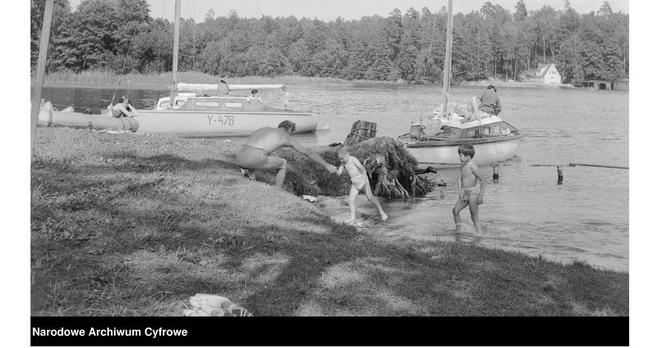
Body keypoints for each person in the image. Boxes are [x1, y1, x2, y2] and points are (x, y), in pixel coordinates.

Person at [236, 120, 336, 187]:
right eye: (293, 133)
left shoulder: (266, 129)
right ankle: (277, 191)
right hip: (254, 157)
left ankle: (249, 176)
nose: (292, 136)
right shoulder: (286, 136)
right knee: (283, 163)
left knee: (264, 155)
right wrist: (327, 165)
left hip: (240, 157)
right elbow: (308, 152)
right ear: (290, 129)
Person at [335, 147, 388, 225]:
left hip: (363, 180)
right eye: (340, 159)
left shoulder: (353, 160)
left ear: (348, 154)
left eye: (342, 158)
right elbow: (339, 173)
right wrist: (334, 170)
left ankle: (382, 212)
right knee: (351, 199)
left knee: (370, 197)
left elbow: (363, 170)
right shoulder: (343, 163)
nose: (341, 161)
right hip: (355, 182)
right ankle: (353, 218)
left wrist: (364, 181)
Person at [452, 144, 485, 234]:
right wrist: (459, 192)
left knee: (474, 216)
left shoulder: (472, 166)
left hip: (473, 194)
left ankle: (480, 234)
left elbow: (483, 179)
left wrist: (481, 196)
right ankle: (459, 230)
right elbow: (459, 179)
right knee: (455, 211)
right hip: (465, 193)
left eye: (460, 155)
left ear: (468, 157)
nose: (459, 157)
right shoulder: (462, 167)